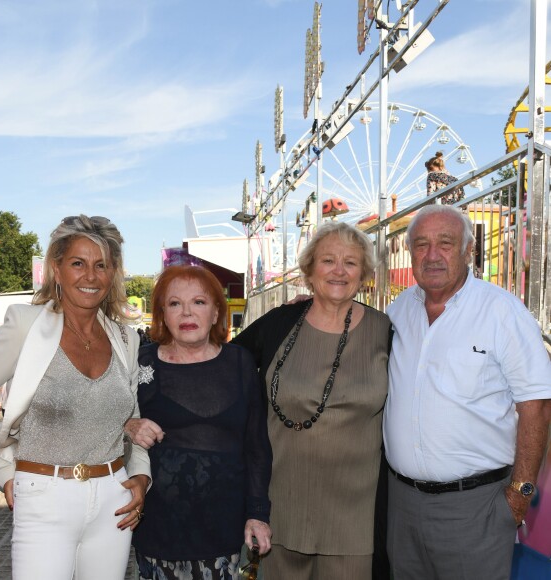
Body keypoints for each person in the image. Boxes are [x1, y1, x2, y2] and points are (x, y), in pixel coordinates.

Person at [0, 215, 151, 580]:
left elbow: (133, 418)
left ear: (113, 273)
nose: (90, 276)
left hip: (114, 498)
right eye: (78, 264)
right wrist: (3, 470)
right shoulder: (27, 324)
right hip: (41, 496)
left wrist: (141, 476)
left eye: (101, 265)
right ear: (56, 268)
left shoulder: (126, 339)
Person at [384, 204, 551, 580]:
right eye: (422, 245)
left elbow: (536, 404)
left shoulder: (501, 311)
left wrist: (520, 494)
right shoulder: (398, 311)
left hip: (477, 508)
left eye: (446, 243)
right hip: (402, 506)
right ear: (411, 254)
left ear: (467, 251)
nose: (432, 255)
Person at [234, 221, 392, 579]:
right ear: (309, 271)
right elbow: (224, 371)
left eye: (350, 263)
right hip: (279, 510)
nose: (339, 271)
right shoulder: (279, 323)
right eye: (328, 261)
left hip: (356, 517)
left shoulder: (386, 331)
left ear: (364, 274)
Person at [125, 265, 272, 580]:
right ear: (163, 314)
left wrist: (257, 514)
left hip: (224, 529)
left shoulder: (240, 363)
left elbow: (257, 445)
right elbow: (106, 414)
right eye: (175, 303)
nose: (186, 312)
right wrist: (130, 425)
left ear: (216, 312)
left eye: (199, 302)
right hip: (158, 528)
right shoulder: (141, 363)